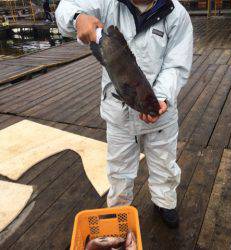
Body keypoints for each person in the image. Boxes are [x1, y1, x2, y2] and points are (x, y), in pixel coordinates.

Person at [55, 0, 193, 228]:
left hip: (161, 110)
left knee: (164, 163)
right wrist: (77, 17)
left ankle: (165, 202)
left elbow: (176, 65)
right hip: (118, 111)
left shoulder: (176, 14)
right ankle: (120, 209)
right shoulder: (106, 3)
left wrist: (160, 98)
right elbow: (66, 6)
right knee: (119, 168)